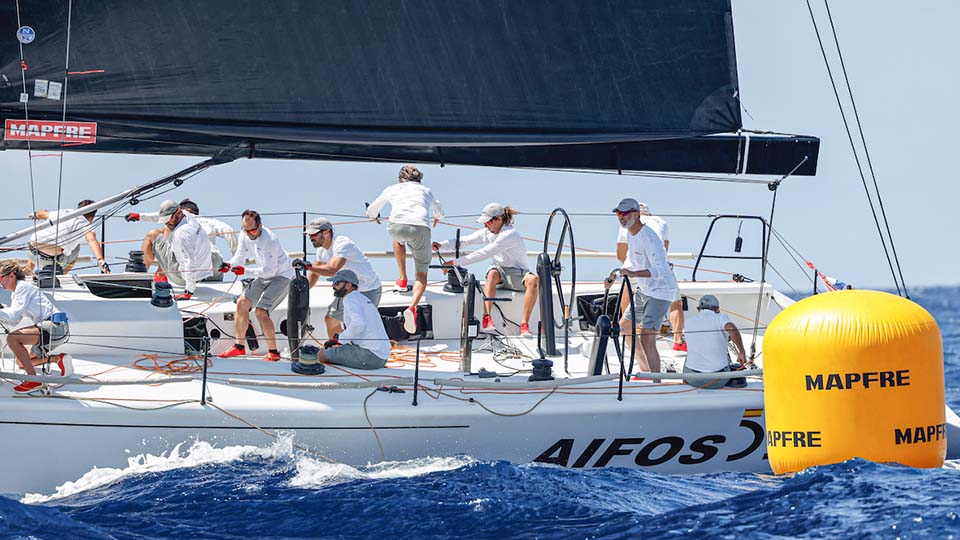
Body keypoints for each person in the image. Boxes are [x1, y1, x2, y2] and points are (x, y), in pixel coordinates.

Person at [433, 203, 538, 336]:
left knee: (534, 280)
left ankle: (524, 325)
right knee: (492, 273)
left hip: (518, 274)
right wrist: (442, 245)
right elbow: (466, 241)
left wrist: (454, 263)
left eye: (487, 222)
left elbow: (485, 252)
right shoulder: (488, 232)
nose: (485, 225)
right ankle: (487, 318)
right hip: (500, 272)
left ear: (499, 219)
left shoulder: (510, 234)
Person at [365, 165, 444, 333]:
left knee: (398, 240)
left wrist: (374, 216)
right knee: (421, 275)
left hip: (396, 226)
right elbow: (440, 211)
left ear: (400, 179)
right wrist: (437, 217)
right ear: (419, 179)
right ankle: (413, 307)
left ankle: (402, 279)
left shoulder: (392, 188)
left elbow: (372, 209)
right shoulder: (425, 190)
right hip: (421, 228)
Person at [612, 197, 678, 375]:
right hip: (645, 290)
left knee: (647, 337)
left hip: (661, 292)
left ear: (636, 214)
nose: (621, 217)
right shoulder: (630, 234)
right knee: (624, 325)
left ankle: (656, 382)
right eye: (618, 213)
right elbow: (632, 262)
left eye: (624, 213)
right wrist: (616, 275)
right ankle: (645, 368)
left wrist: (633, 275)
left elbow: (660, 270)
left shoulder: (650, 237)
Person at [218, 210, 294, 362]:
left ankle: (273, 352)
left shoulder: (270, 240)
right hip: (263, 274)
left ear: (260, 226)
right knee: (242, 302)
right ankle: (239, 347)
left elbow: (269, 270)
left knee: (261, 311)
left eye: (252, 230)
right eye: (246, 230)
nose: (249, 234)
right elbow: (240, 256)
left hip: (281, 276)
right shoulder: (244, 234)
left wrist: (245, 270)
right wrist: (229, 264)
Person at [302, 217, 383, 339]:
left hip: (367, 290)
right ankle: (336, 351)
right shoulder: (321, 250)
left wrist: (308, 266)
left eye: (313, 234)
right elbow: (315, 273)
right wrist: (303, 290)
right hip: (348, 291)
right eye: (309, 235)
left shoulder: (342, 243)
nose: (311, 238)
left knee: (359, 327)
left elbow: (332, 269)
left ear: (326, 232)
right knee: (331, 319)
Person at [0, 260, 73, 394]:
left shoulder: (22, 287)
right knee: (21, 362)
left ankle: (34, 380)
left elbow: (13, 316)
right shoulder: (16, 292)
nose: (0, 282)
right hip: (56, 329)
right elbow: (14, 321)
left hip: (54, 327)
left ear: (12, 275)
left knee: (12, 339)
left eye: (0, 278)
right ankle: (59, 358)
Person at [125, 198, 237, 278]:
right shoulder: (211, 222)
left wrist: (139, 216)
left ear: (184, 211)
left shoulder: (182, 220)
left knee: (155, 233)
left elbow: (162, 216)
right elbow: (229, 231)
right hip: (214, 269)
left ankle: (146, 276)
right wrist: (235, 260)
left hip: (187, 270)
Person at [315, 269, 390, 370]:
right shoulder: (361, 298)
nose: (333, 286)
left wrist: (339, 339)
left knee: (321, 355)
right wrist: (340, 340)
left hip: (370, 356)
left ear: (348, 286)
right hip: (382, 357)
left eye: (336, 283)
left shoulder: (349, 299)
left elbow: (359, 324)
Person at [138, 199, 214, 299]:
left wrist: (189, 291)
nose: (167, 222)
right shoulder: (188, 216)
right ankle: (161, 272)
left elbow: (189, 262)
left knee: (152, 234)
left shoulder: (182, 233)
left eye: (169, 219)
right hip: (203, 273)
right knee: (167, 228)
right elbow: (159, 216)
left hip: (181, 277)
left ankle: (140, 279)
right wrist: (139, 216)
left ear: (178, 212)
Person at [682, 294, 747, 389]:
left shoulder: (688, 321)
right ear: (717, 309)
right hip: (718, 381)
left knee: (688, 357)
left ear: (698, 309)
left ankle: (685, 383)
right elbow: (731, 328)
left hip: (693, 380)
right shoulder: (721, 317)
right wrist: (742, 351)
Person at [27, 200, 110, 274]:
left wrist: (35, 215)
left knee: (41, 238)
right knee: (76, 248)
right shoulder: (85, 224)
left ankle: (28, 269)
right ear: (91, 218)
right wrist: (100, 260)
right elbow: (92, 240)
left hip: (30, 252)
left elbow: (43, 213)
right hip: (47, 260)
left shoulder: (65, 212)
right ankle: (63, 276)